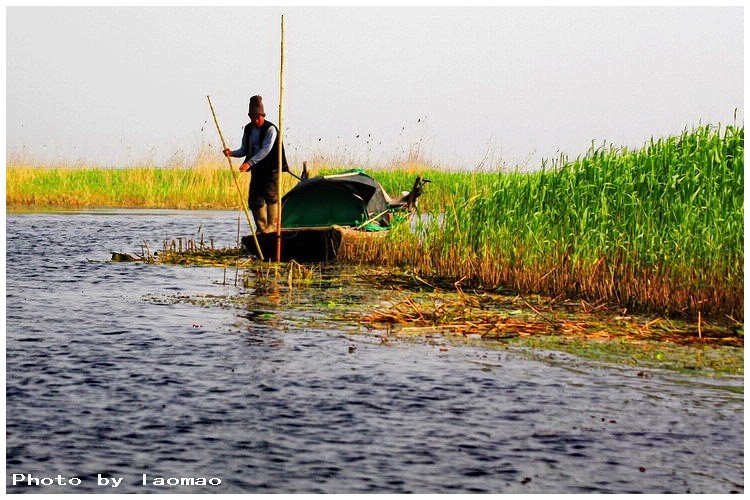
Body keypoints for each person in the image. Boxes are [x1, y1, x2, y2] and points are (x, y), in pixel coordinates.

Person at [223, 95, 288, 233]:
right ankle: (261, 228)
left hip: (271, 168)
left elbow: (266, 149)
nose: (256, 120)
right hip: (257, 169)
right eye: (253, 117)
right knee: (254, 199)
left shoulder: (271, 129)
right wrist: (232, 153)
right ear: (250, 116)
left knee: (271, 196)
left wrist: (249, 163)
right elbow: (244, 149)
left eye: (259, 117)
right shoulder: (248, 129)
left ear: (263, 115)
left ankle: (272, 227)